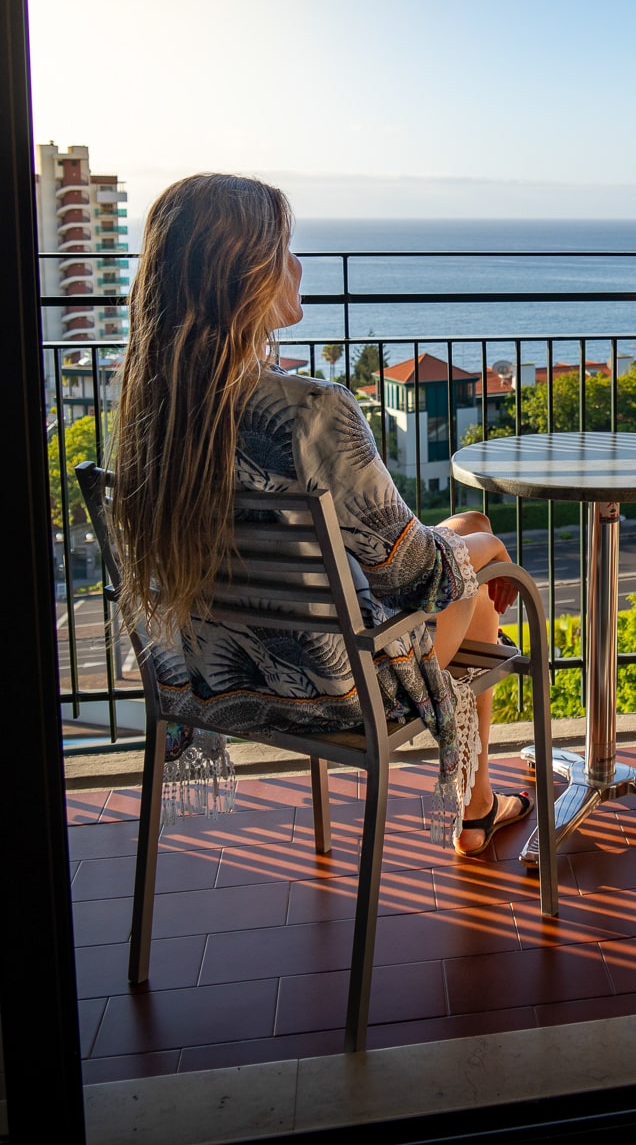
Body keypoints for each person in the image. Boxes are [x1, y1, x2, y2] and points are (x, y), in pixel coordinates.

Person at [112, 172, 529, 855]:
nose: (298, 267)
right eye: (283, 251)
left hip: (213, 677)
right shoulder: (310, 410)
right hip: (338, 691)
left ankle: (480, 809)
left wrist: (471, 545)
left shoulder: (148, 415)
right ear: (240, 275)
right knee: (474, 565)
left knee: (470, 549)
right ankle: (476, 810)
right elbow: (414, 579)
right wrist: (490, 550)